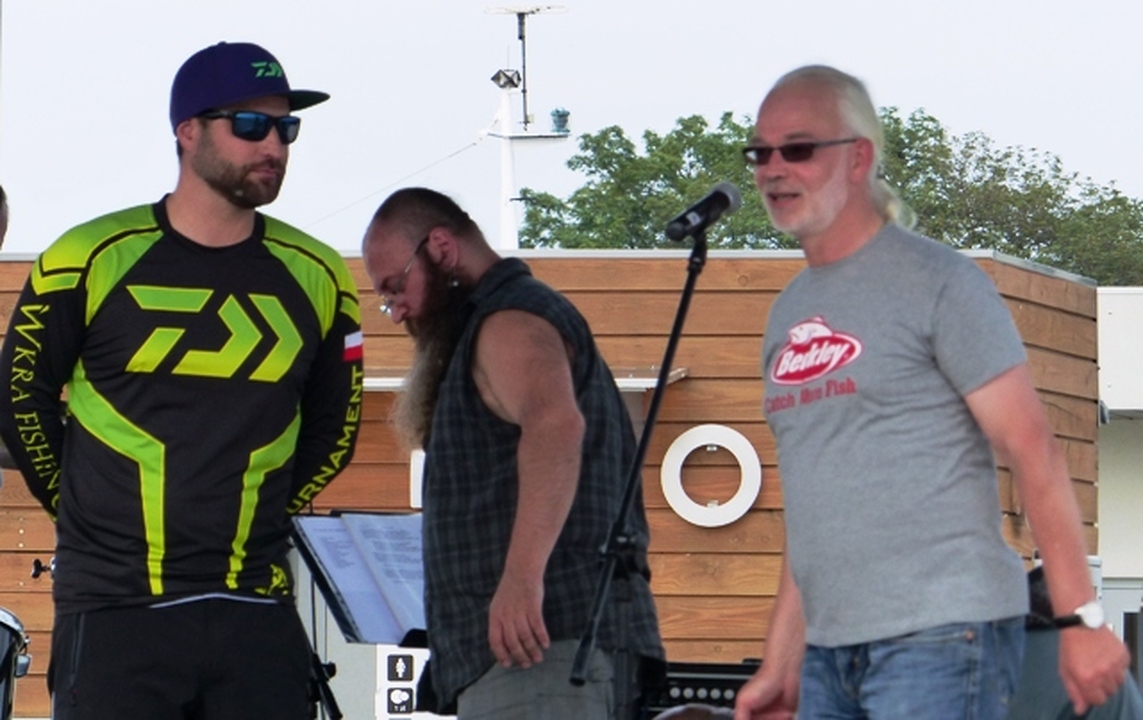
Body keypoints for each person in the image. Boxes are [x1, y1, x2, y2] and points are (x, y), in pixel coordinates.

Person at [733, 64, 1130, 720]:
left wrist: (1079, 618)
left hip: (943, 638)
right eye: (760, 153)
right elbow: (815, 507)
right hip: (829, 653)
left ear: (858, 157)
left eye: (797, 149)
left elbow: (1033, 448)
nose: (773, 169)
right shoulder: (788, 313)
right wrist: (782, 662)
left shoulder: (939, 282)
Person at [0, 41, 363, 719]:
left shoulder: (320, 273)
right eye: (250, 125)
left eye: (286, 127)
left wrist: (262, 513)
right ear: (188, 131)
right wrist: (81, 512)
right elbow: (20, 399)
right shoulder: (87, 255)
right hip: (116, 608)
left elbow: (334, 431)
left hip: (256, 607)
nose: (273, 145)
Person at [361, 187, 665, 719]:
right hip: (542, 651)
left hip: (539, 654)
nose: (395, 311)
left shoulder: (507, 320)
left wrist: (522, 579)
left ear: (441, 247)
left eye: (396, 286)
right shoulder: (501, 319)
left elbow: (556, 426)